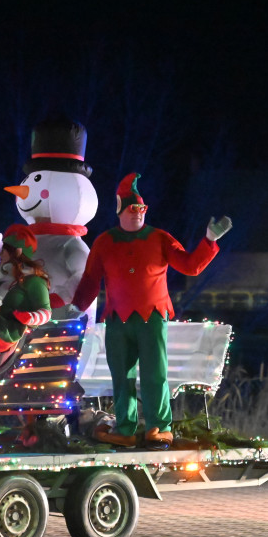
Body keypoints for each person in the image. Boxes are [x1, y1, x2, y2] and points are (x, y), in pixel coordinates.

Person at [71, 173, 232, 450]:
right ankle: (125, 428)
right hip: (117, 318)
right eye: (133, 209)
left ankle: (159, 427)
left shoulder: (160, 238)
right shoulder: (105, 242)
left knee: (154, 373)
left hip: (152, 317)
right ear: (120, 210)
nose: (138, 214)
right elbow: (89, 280)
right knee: (121, 375)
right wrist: (75, 309)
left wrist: (209, 241)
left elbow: (190, 266)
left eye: (142, 209)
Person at [0, 224, 52, 372]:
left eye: (3, 251)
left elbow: (46, 312)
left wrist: (29, 318)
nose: (0, 255)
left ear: (17, 252)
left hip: (8, 330)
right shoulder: (1, 276)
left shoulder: (34, 280)